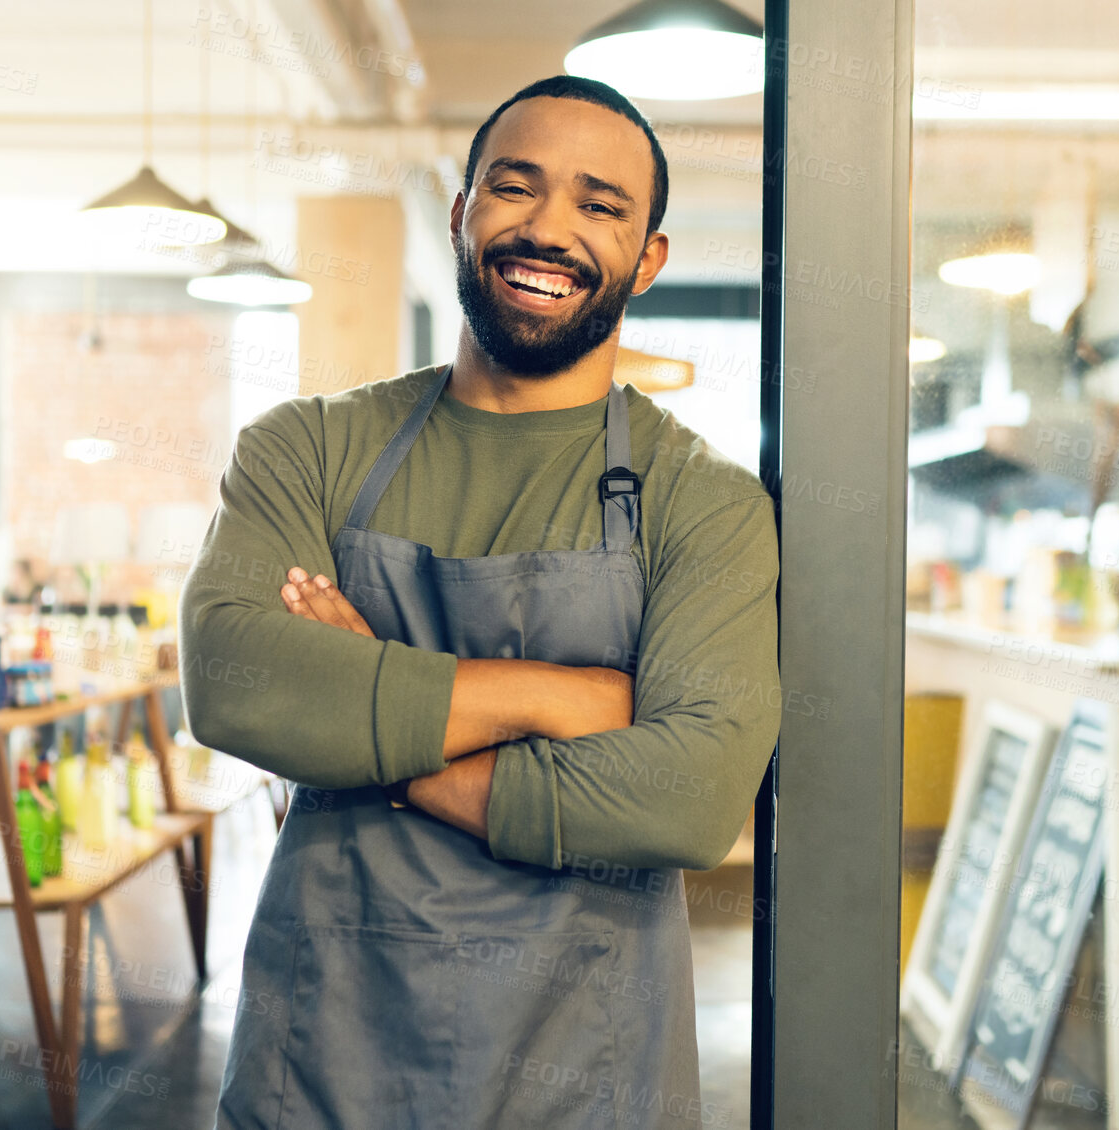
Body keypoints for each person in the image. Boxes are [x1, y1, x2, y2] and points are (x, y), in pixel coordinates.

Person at [180, 75, 780, 1130]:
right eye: (515, 187)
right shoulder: (309, 447)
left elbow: (691, 793)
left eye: (600, 205)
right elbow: (234, 681)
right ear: (461, 215)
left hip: (588, 1063)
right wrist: (564, 694)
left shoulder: (706, 498)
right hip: (328, 1052)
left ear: (648, 258)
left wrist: (375, 715)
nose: (547, 229)